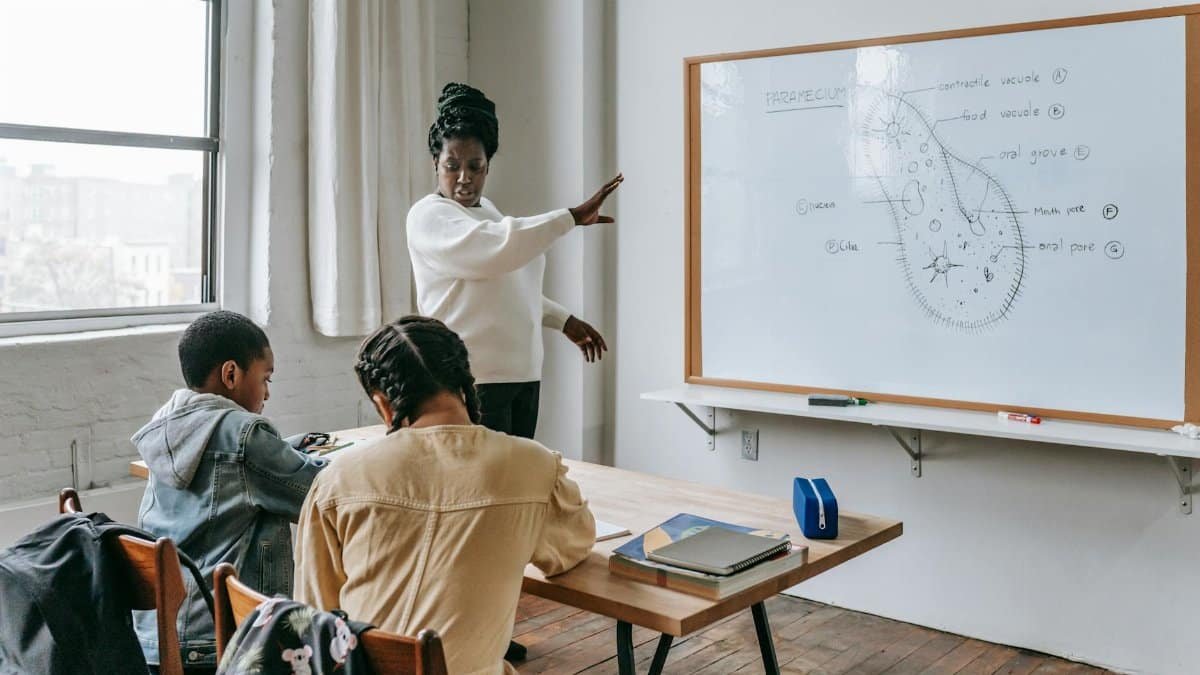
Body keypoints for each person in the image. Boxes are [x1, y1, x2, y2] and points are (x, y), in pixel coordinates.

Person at [293, 316, 596, 675]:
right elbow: (571, 548)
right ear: (466, 384)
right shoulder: (534, 465)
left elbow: (316, 610)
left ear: (383, 405)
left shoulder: (338, 479)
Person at [407, 81, 622, 441]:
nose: (464, 178)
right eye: (452, 165)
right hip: (472, 377)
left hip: (521, 373)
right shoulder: (429, 217)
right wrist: (569, 217)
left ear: (488, 166)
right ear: (435, 163)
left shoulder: (487, 212)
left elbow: (508, 285)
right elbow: (497, 250)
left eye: (475, 166)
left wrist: (563, 320)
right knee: (485, 489)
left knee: (517, 487)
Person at [132, 310, 328, 674]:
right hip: (221, 634)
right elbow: (317, 494)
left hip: (159, 630)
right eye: (265, 378)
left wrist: (284, 450)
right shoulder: (243, 434)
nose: (267, 392)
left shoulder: (167, 423)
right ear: (231, 374)